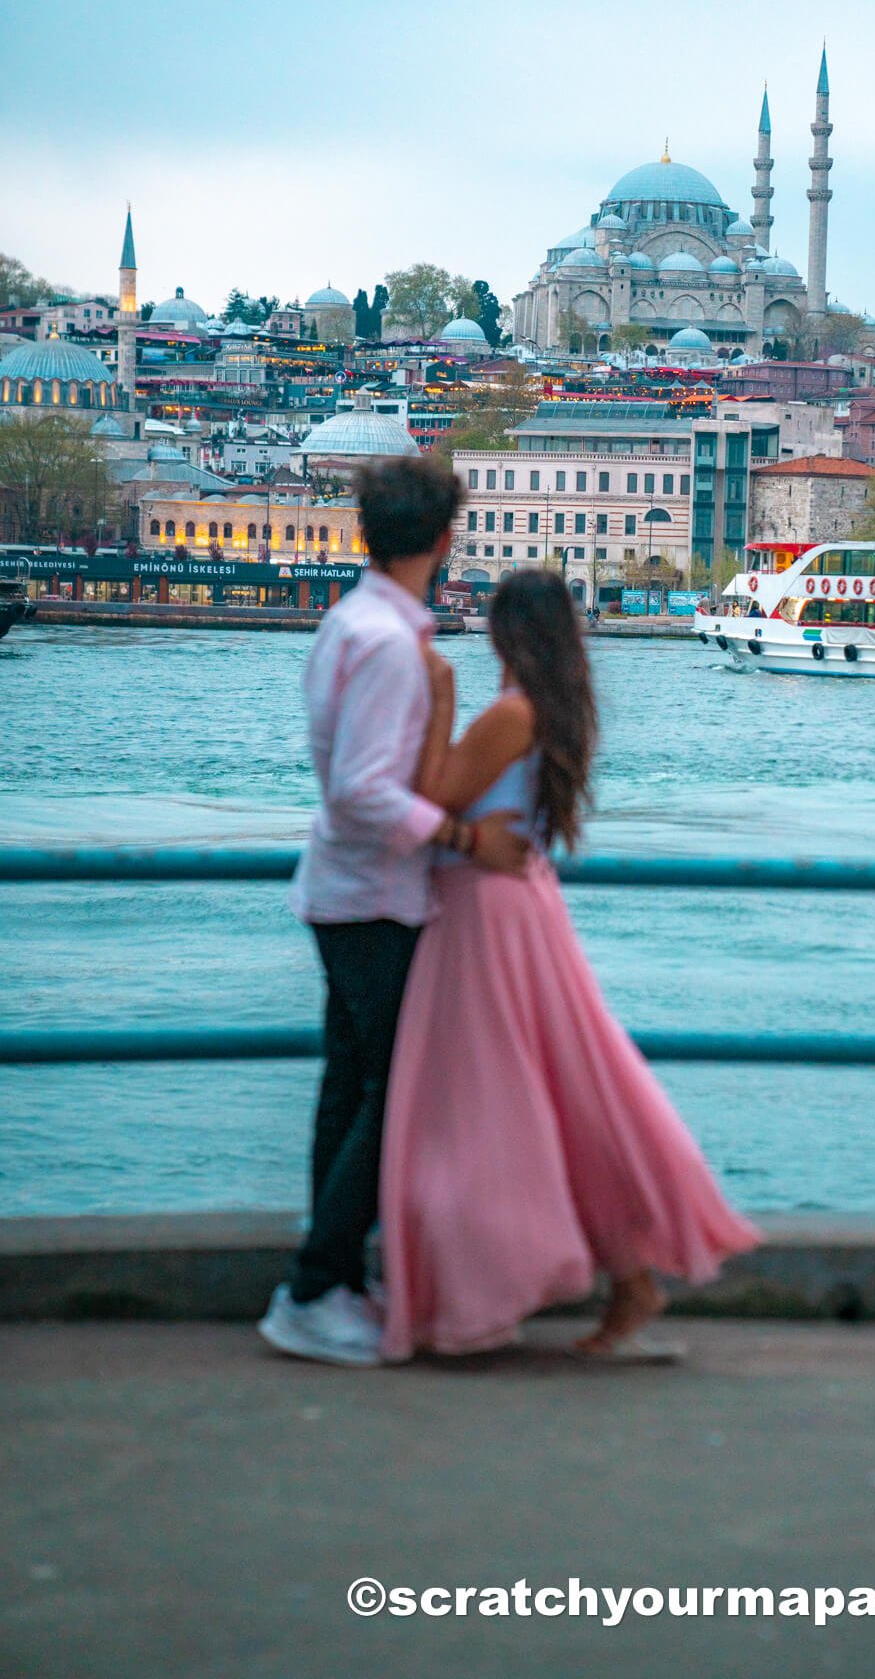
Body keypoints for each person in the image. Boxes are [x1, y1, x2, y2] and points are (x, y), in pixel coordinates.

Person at [380, 569, 759, 1363]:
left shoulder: (508, 714)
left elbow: (435, 796)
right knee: (562, 1090)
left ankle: (506, 1282)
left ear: (503, 634)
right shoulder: (551, 715)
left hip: (487, 914)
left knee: (489, 1102)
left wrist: (440, 692)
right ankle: (622, 1279)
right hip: (523, 909)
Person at [258, 457, 528, 1369]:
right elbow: (363, 791)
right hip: (375, 899)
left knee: (351, 1090)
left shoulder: (353, 622)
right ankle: (311, 1286)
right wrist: (463, 838)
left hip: (344, 893)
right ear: (447, 540)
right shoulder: (389, 645)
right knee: (394, 1099)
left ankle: (329, 1283)